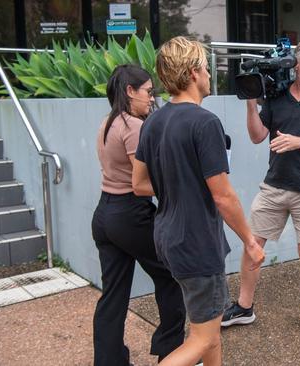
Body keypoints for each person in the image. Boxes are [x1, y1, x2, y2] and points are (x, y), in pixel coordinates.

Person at [132, 36, 265, 366]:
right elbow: (222, 195)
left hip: (168, 237)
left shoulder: (153, 121)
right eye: (206, 68)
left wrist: (179, 184)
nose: (209, 75)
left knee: (209, 328)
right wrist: (250, 241)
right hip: (196, 241)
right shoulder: (205, 123)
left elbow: (140, 184)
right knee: (203, 338)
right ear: (193, 73)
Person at [222, 39, 300, 336]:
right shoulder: (275, 99)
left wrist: (299, 142)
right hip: (274, 186)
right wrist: (252, 102)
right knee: (253, 247)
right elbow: (256, 136)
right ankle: (244, 307)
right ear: (296, 65)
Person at [91, 64, 186, 365]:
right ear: (130, 92)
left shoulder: (108, 122)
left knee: (113, 295)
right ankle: (171, 353)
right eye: (148, 91)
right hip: (130, 215)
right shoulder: (134, 126)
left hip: (105, 214)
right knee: (171, 276)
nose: (151, 98)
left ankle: (109, 361)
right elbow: (144, 181)